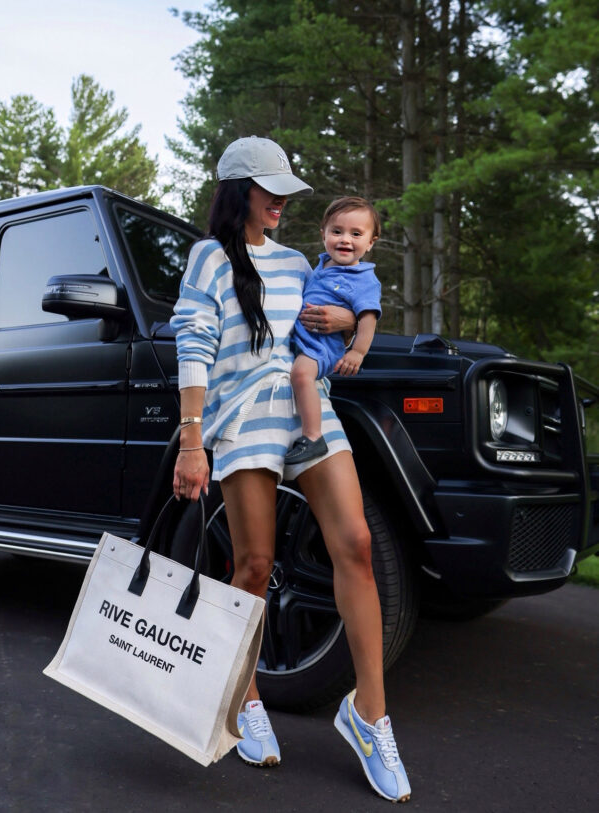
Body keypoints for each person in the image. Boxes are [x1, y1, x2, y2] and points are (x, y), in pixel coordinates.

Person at [171, 135, 411, 803]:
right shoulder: (210, 258)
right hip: (242, 414)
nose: (281, 200)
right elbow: (193, 346)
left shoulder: (299, 261)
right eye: (268, 188)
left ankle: (369, 715)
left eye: (285, 190)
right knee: (254, 564)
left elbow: (332, 319)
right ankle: (244, 695)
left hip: (308, 408)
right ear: (238, 190)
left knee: (357, 545)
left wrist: (344, 320)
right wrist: (193, 441)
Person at [284, 197, 382, 464]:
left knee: (302, 375)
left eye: (356, 234)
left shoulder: (364, 279)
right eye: (336, 231)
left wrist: (358, 352)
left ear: (370, 242)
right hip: (306, 339)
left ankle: (313, 437)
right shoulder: (321, 265)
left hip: (322, 345)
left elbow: (368, 318)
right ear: (323, 234)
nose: (345, 240)